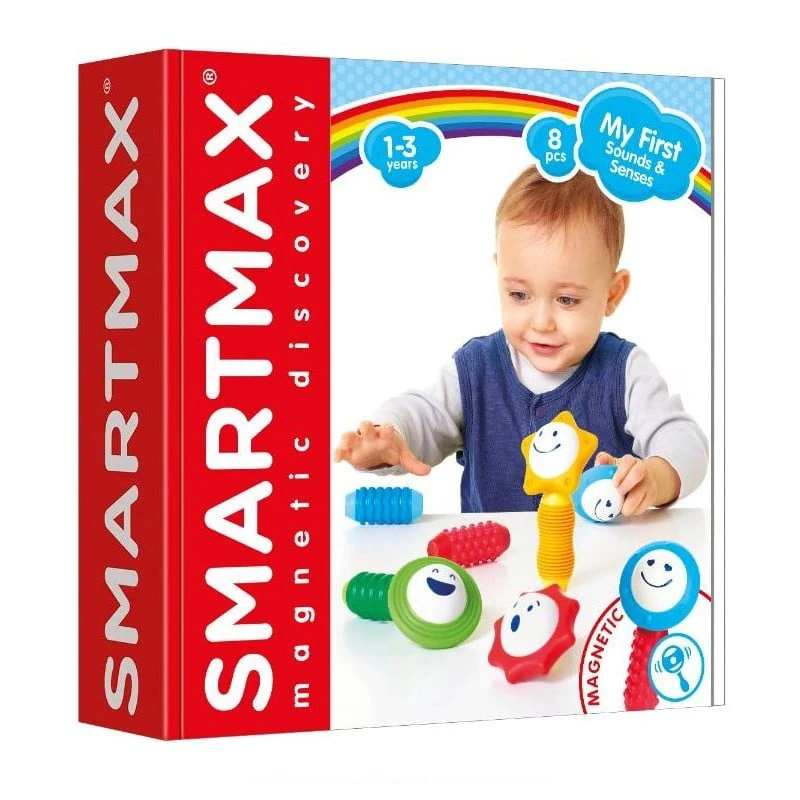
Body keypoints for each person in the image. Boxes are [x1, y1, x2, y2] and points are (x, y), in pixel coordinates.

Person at [333, 165, 708, 516]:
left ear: (612, 294)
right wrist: (391, 434)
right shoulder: (475, 369)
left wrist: (655, 477)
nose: (541, 322)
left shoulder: (625, 372)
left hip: (600, 561)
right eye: (519, 295)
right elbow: (425, 414)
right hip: (493, 560)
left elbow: (683, 440)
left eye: (567, 300)